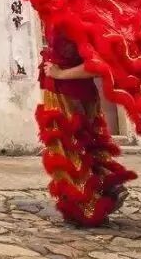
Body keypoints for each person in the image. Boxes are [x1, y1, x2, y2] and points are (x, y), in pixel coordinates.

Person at [40, 30, 133, 223]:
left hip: (67, 94)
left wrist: (61, 73)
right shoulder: (62, 17)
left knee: (70, 152)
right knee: (88, 145)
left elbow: (99, 64)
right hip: (75, 92)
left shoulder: (72, 21)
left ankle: (87, 207)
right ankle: (107, 190)